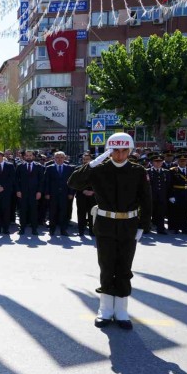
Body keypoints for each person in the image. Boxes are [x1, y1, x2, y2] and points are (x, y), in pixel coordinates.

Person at [68, 133, 151, 330]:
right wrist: (94, 162)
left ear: (130, 151)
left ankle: (121, 310)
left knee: (124, 268)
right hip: (105, 224)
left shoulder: (138, 171)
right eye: (115, 150)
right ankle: (105, 309)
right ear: (109, 151)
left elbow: (147, 200)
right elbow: (74, 182)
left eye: (124, 151)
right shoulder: (99, 169)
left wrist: (142, 225)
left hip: (128, 225)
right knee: (106, 266)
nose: (120, 155)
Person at [44, 151, 75, 236]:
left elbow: (71, 182)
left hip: (65, 194)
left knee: (63, 213)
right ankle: (52, 230)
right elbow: (46, 182)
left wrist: (71, 193)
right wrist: (46, 193)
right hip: (53, 194)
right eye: (57, 157)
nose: (59, 159)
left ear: (64, 158)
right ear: (54, 158)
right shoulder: (49, 168)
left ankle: (63, 230)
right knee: (52, 212)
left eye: (61, 157)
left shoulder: (69, 168)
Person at [15, 150, 44, 235]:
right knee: (22, 211)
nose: (28, 157)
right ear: (24, 157)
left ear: (33, 156)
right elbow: (16, 180)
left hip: (34, 193)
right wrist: (18, 190)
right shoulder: (20, 166)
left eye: (30, 155)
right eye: (27, 155)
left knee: (34, 211)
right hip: (22, 193)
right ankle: (22, 228)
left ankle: (34, 228)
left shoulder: (39, 166)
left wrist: (39, 191)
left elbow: (41, 180)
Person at [167, 154, 187, 234]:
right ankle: (176, 228)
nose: (183, 162)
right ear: (177, 162)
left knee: (186, 211)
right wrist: (171, 195)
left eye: (184, 161)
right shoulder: (173, 171)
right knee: (176, 211)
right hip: (177, 192)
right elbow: (169, 184)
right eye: (181, 161)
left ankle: (185, 228)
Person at [147, 154, 171, 234]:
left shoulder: (166, 172)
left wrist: (169, 196)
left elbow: (168, 185)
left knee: (161, 213)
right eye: (156, 161)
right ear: (152, 162)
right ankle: (147, 227)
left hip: (162, 196)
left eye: (160, 161)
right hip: (151, 196)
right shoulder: (148, 171)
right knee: (149, 212)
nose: (158, 163)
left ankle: (160, 228)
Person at [74, 153, 97, 236]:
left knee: (92, 214)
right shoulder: (77, 169)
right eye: (84, 159)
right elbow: (75, 182)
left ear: (91, 160)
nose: (85, 161)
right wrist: (83, 190)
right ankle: (81, 231)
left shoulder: (96, 169)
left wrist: (93, 191)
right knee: (81, 213)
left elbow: (99, 183)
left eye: (87, 159)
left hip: (93, 196)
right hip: (81, 195)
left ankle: (92, 231)